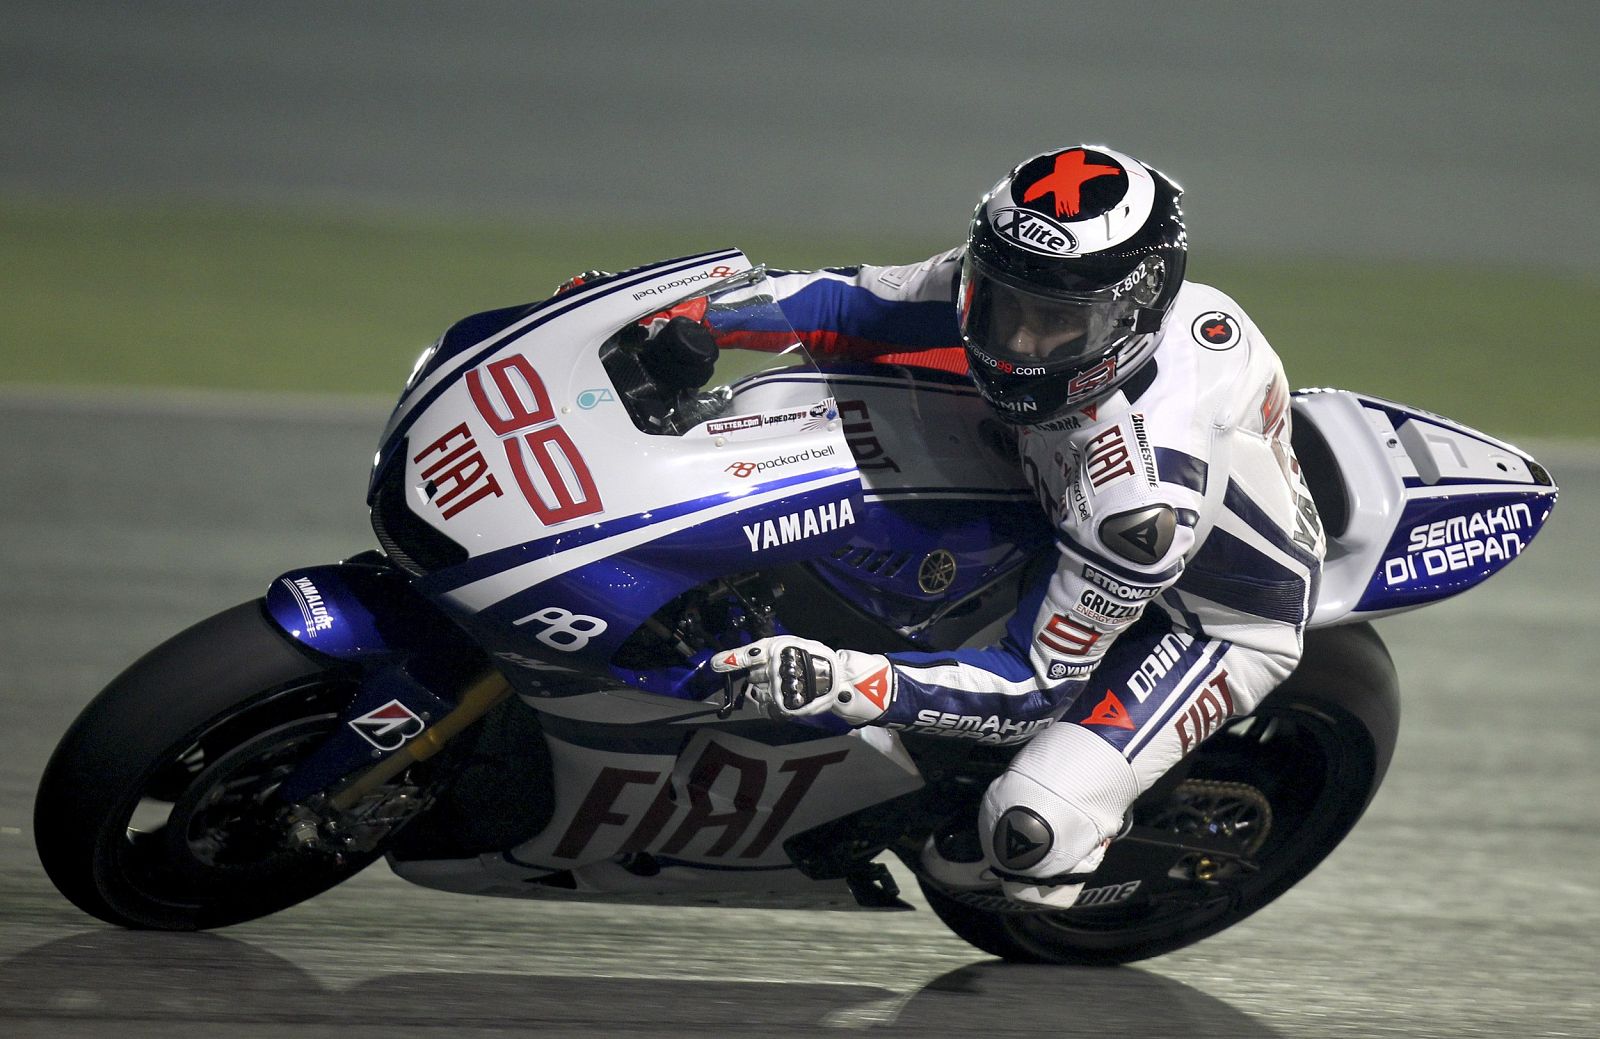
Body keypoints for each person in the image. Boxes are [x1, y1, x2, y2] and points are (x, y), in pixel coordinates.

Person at [709, 144, 1326, 908]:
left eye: (1057, 324)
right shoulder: (1026, 272)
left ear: (1132, 313)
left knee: (1028, 833)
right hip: (1048, 479)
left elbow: (1031, 688)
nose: (1019, 343)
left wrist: (847, 679)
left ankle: (1057, 854)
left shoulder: (1138, 504)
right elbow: (852, 304)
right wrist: (685, 313)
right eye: (1005, 305)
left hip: (1202, 621)